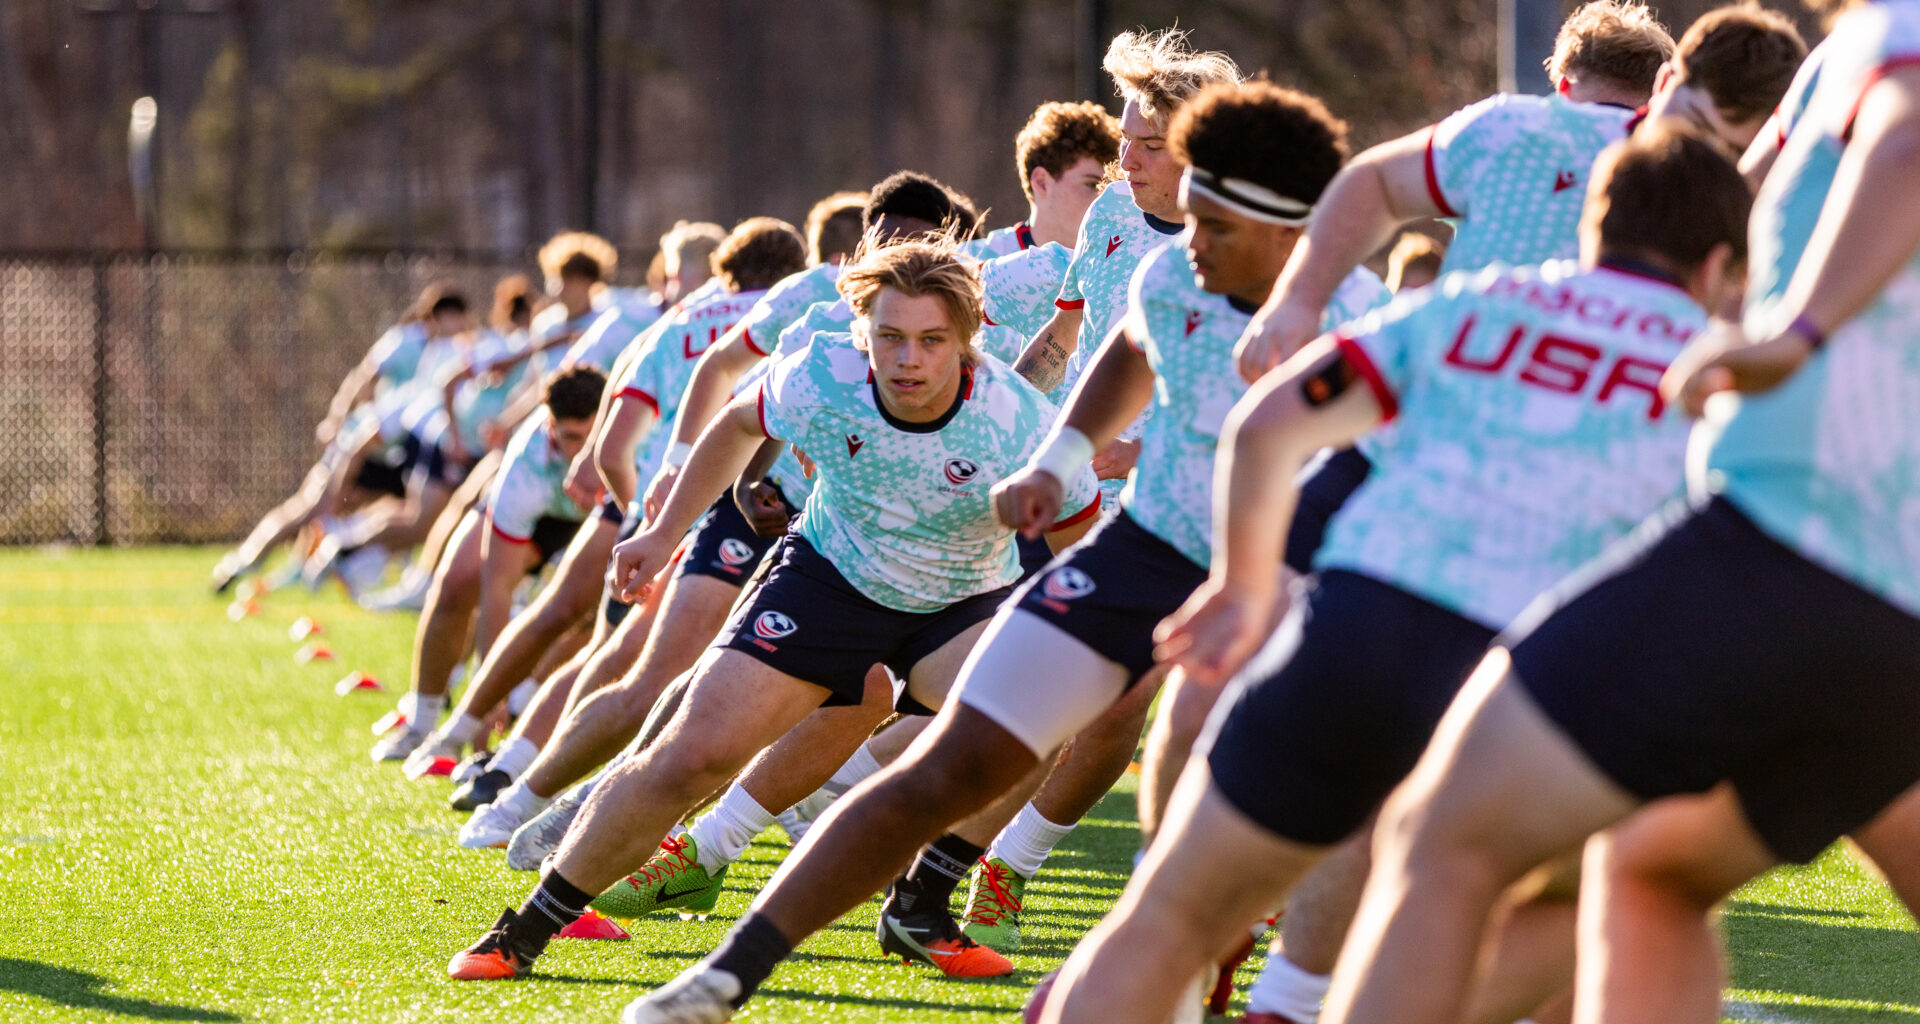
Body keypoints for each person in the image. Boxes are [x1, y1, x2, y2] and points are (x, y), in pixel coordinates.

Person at [612, 81, 1382, 1024]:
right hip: (1141, 551)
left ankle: (1275, 996)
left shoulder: (1362, 313)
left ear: (1288, 221)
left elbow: (1340, 458)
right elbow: (1130, 353)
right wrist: (1056, 462)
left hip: (1290, 573)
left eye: (1216, 221)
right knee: (953, 759)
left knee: (1302, 795)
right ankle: (727, 975)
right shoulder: (1172, 266)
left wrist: (1271, 575)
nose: (1192, 240)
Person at [1035, 124, 1751, 1024]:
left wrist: (1247, 588)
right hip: (1519, 685)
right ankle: (1304, 1003)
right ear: (1724, 261)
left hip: (1351, 625)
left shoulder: (1483, 300)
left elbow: (1267, 424)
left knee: (1167, 916)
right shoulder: (1725, 368)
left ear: (1595, 224)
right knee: (1603, 897)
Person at [1316, 6, 1920, 1022]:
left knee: (1450, 827)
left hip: (1792, 542)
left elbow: (1907, 146)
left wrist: (1798, 332)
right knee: (1649, 865)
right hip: (1882, 585)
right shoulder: (1838, 61)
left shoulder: (1900, 29)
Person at [442, 239, 1099, 993]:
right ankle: (524, 930)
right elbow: (734, 423)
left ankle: (921, 902)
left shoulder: (1018, 420)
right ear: (864, 334)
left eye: (931, 340)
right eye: (890, 336)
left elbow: (1081, 534)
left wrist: (1085, 632)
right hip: (830, 580)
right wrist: (661, 534)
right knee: (693, 756)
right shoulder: (824, 373)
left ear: (967, 339)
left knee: (1046, 710)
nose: (909, 359)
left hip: (960, 600)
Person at [396, 218, 807, 777]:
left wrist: (651, 519)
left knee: (594, 641)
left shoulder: (672, 324)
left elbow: (610, 446)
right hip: (743, 507)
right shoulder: (803, 321)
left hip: (649, 496)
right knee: (718, 665)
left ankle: (501, 760)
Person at [368, 364, 608, 762]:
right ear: (550, 427)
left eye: (591, 437)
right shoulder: (525, 462)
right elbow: (496, 590)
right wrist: (487, 695)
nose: (581, 451)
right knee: (457, 580)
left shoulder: (636, 443)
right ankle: (422, 723)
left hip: (599, 519)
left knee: (588, 608)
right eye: (570, 438)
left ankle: (525, 708)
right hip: (538, 512)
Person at [209, 284, 473, 592]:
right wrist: (337, 419)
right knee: (313, 507)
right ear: (436, 317)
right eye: (452, 317)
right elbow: (362, 377)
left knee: (408, 512)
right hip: (367, 440)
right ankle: (244, 561)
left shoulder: (457, 351)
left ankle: (321, 565)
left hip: (403, 448)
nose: (459, 325)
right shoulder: (405, 341)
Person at [964, 100, 1119, 259]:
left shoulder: (1118, 265)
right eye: (1092, 184)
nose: (1104, 196)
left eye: (1110, 186)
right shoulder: (969, 263)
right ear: (1042, 182)